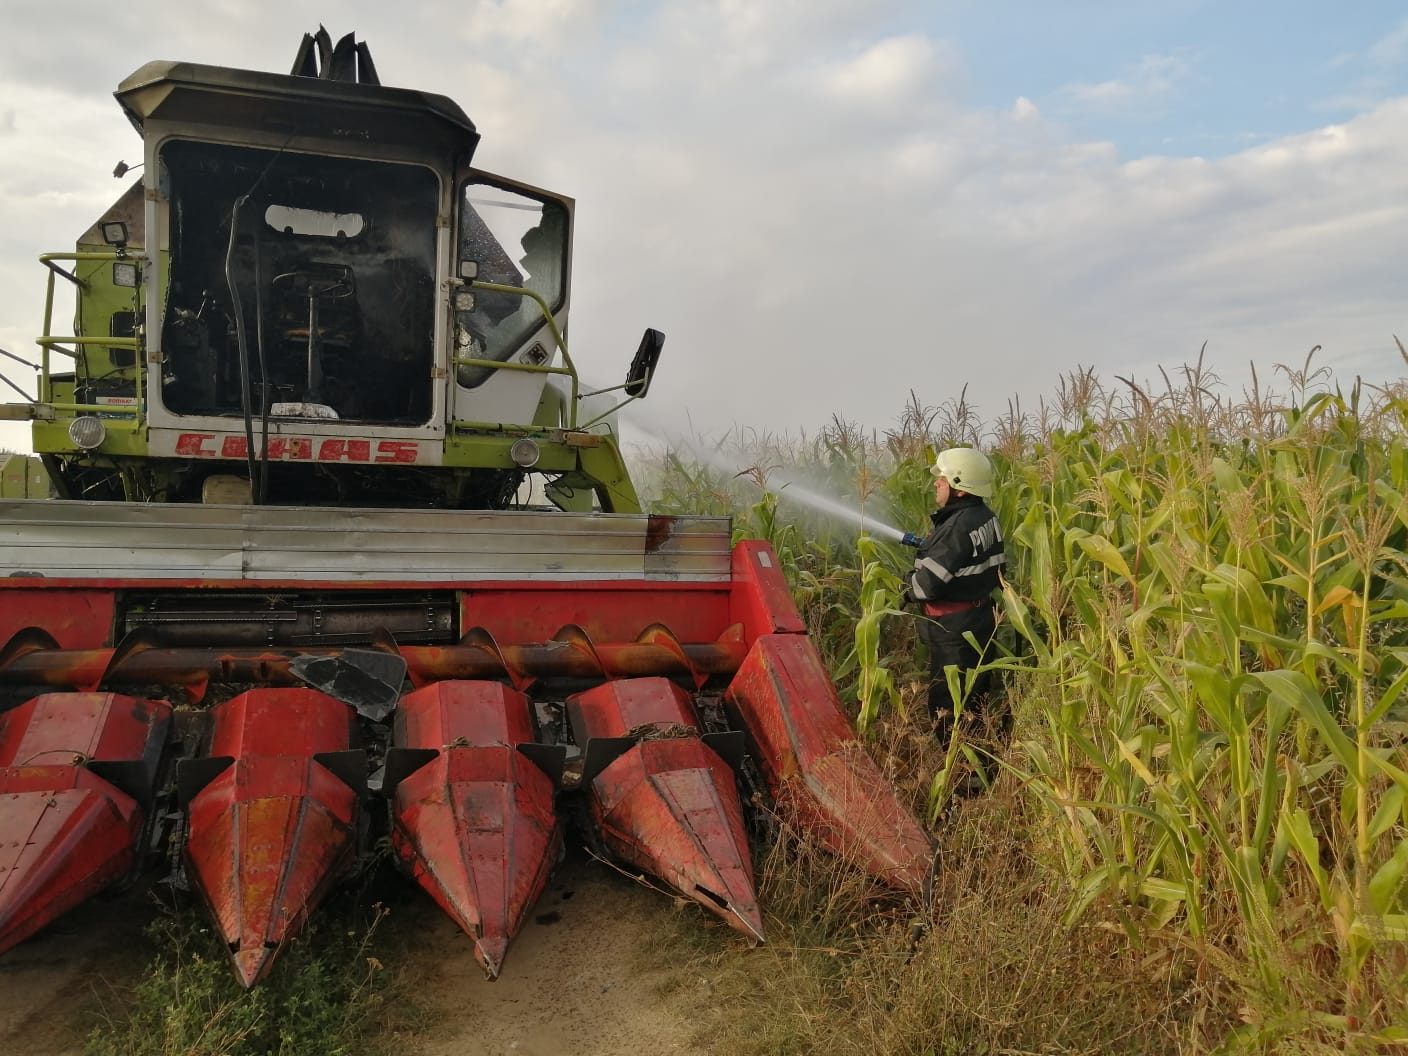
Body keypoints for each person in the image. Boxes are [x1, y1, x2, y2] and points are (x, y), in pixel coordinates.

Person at [906, 447, 1007, 765]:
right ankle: (979, 762)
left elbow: (924, 587)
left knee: (947, 707)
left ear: (960, 487)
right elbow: (994, 567)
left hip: (954, 631)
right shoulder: (985, 518)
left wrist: (906, 582)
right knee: (973, 699)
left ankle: (962, 775)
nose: (936, 483)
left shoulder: (957, 529)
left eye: (942, 478)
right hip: (980, 618)